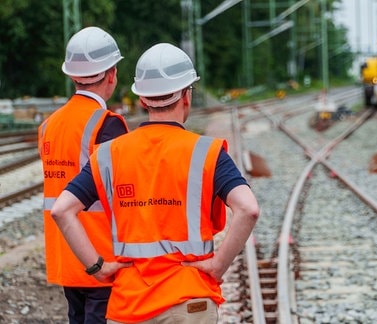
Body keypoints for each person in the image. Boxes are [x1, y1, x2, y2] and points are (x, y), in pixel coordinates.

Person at [51, 43, 260, 323]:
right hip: (189, 302)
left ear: (142, 100)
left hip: (128, 306)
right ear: (186, 96)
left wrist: (97, 267)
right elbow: (248, 209)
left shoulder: (109, 155)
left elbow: (62, 210)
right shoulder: (207, 152)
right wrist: (218, 265)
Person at [38, 26, 128, 324]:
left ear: (71, 76)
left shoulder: (49, 125)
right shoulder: (107, 124)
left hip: (66, 254)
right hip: (100, 257)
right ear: (112, 74)